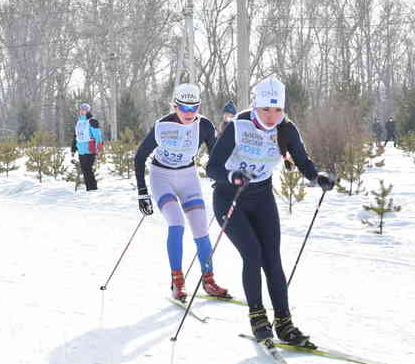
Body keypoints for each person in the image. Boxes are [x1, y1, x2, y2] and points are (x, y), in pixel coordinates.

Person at [206, 76, 334, 347]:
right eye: (266, 110)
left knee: (272, 260)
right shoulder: (238, 126)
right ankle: (257, 317)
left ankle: (285, 322)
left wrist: (317, 177)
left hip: (262, 197)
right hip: (230, 197)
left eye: (278, 110)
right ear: (255, 106)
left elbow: (302, 160)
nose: (272, 116)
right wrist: (233, 176)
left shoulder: (287, 130)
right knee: (252, 254)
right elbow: (212, 168)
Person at [134, 83, 229, 301]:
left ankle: (209, 280)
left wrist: (221, 179)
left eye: (194, 108)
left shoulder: (204, 125)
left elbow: (215, 155)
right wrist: (142, 192)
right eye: (183, 108)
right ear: (174, 106)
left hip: (188, 178)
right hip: (162, 177)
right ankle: (178, 281)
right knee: (176, 224)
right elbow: (140, 157)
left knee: (200, 229)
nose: (189, 113)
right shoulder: (162, 125)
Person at [70, 103, 103, 191]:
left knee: (88, 169)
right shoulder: (78, 122)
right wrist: (73, 149)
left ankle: (93, 188)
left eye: (84, 110)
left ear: (88, 111)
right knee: (84, 170)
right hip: (81, 150)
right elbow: (75, 137)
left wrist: (99, 149)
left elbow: (98, 136)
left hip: (90, 149)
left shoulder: (92, 121)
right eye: (81, 109)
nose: (82, 111)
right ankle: (89, 189)